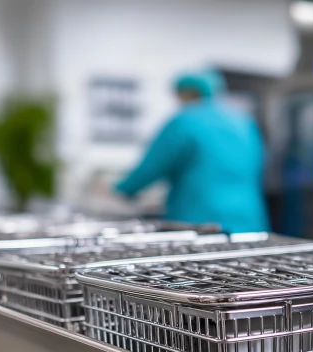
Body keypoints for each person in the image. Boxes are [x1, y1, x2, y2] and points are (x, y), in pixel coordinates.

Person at [114, 70, 270, 233]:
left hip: (199, 219)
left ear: (187, 93)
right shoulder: (244, 121)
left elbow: (151, 167)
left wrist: (122, 189)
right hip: (248, 219)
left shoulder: (184, 121)